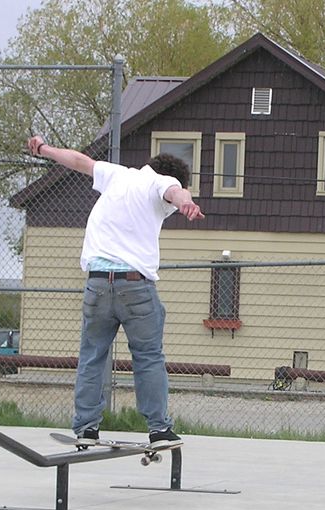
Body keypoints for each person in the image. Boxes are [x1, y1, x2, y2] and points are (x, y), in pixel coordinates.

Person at [28, 135, 205, 449]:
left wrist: (45, 149)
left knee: (92, 356)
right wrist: (185, 201)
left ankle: (85, 428)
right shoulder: (162, 182)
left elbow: (79, 161)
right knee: (148, 357)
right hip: (135, 285)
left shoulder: (118, 174)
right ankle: (159, 429)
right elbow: (174, 191)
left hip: (96, 284)